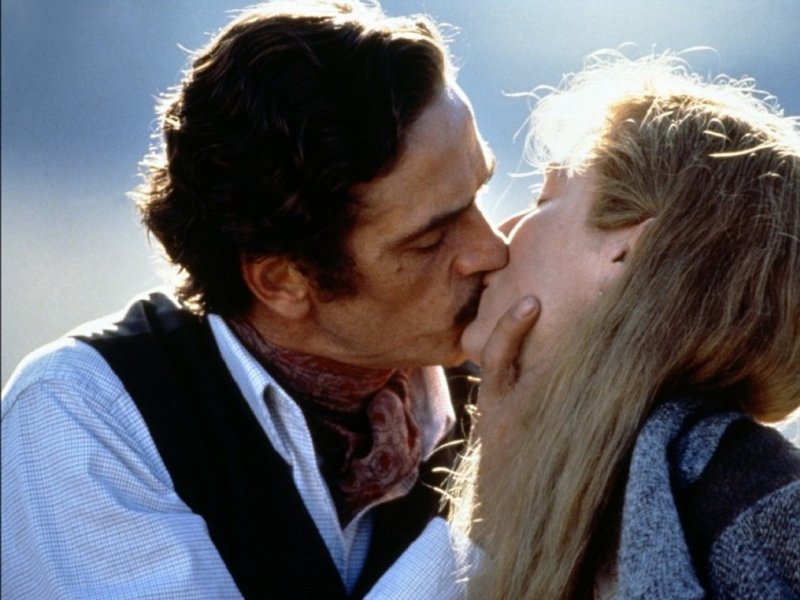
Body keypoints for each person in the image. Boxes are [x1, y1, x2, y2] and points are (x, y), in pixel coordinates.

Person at [0, 1, 507, 598]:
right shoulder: (86, 415)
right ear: (282, 281)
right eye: (430, 239)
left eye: (479, 193)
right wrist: (498, 490)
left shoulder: (505, 380)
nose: (493, 250)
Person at [366, 51, 800, 599]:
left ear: (627, 256)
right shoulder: (483, 436)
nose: (500, 233)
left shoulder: (760, 511)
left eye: (544, 199)